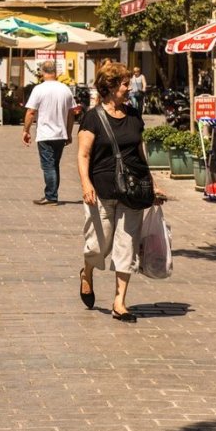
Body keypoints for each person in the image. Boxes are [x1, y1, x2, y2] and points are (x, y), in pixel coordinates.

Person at [77, 62, 164, 323]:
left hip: (133, 191)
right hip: (101, 190)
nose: (129, 88)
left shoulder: (134, 115)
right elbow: (83, 154)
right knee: (99, 246)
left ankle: (119, 302)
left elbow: (140, 152)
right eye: (125, 84)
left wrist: (151, 182)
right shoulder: (93, 117)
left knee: (126, 246)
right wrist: (86, 184)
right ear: (110, 86)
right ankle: (87, 272)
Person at [22, 60, 75, 206]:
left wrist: (25, 130)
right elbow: (71, 114)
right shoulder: (65, 89)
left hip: (45, 134)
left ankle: (51, 196)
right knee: (55, 165)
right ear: (55, 72)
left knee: (48, 166)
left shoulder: (39, 89)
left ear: (42, 72)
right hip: (60, 134)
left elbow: (31, 112)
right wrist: (69, 133)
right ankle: (52, 194)